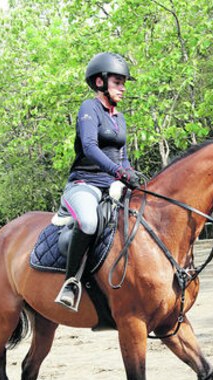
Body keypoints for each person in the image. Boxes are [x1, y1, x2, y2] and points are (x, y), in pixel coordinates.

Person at [55, 52, 140, 311]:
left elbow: (122, 156)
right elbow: (90, 148)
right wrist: (119, 172)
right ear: (100, 82)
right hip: (85, 184)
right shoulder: (89, 108)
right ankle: (70, 283)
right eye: (118, 82)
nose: (123, 88)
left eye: (124, 83)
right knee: (89, 222)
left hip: (114, 185)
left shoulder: (119, 118)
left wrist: (131, 174)